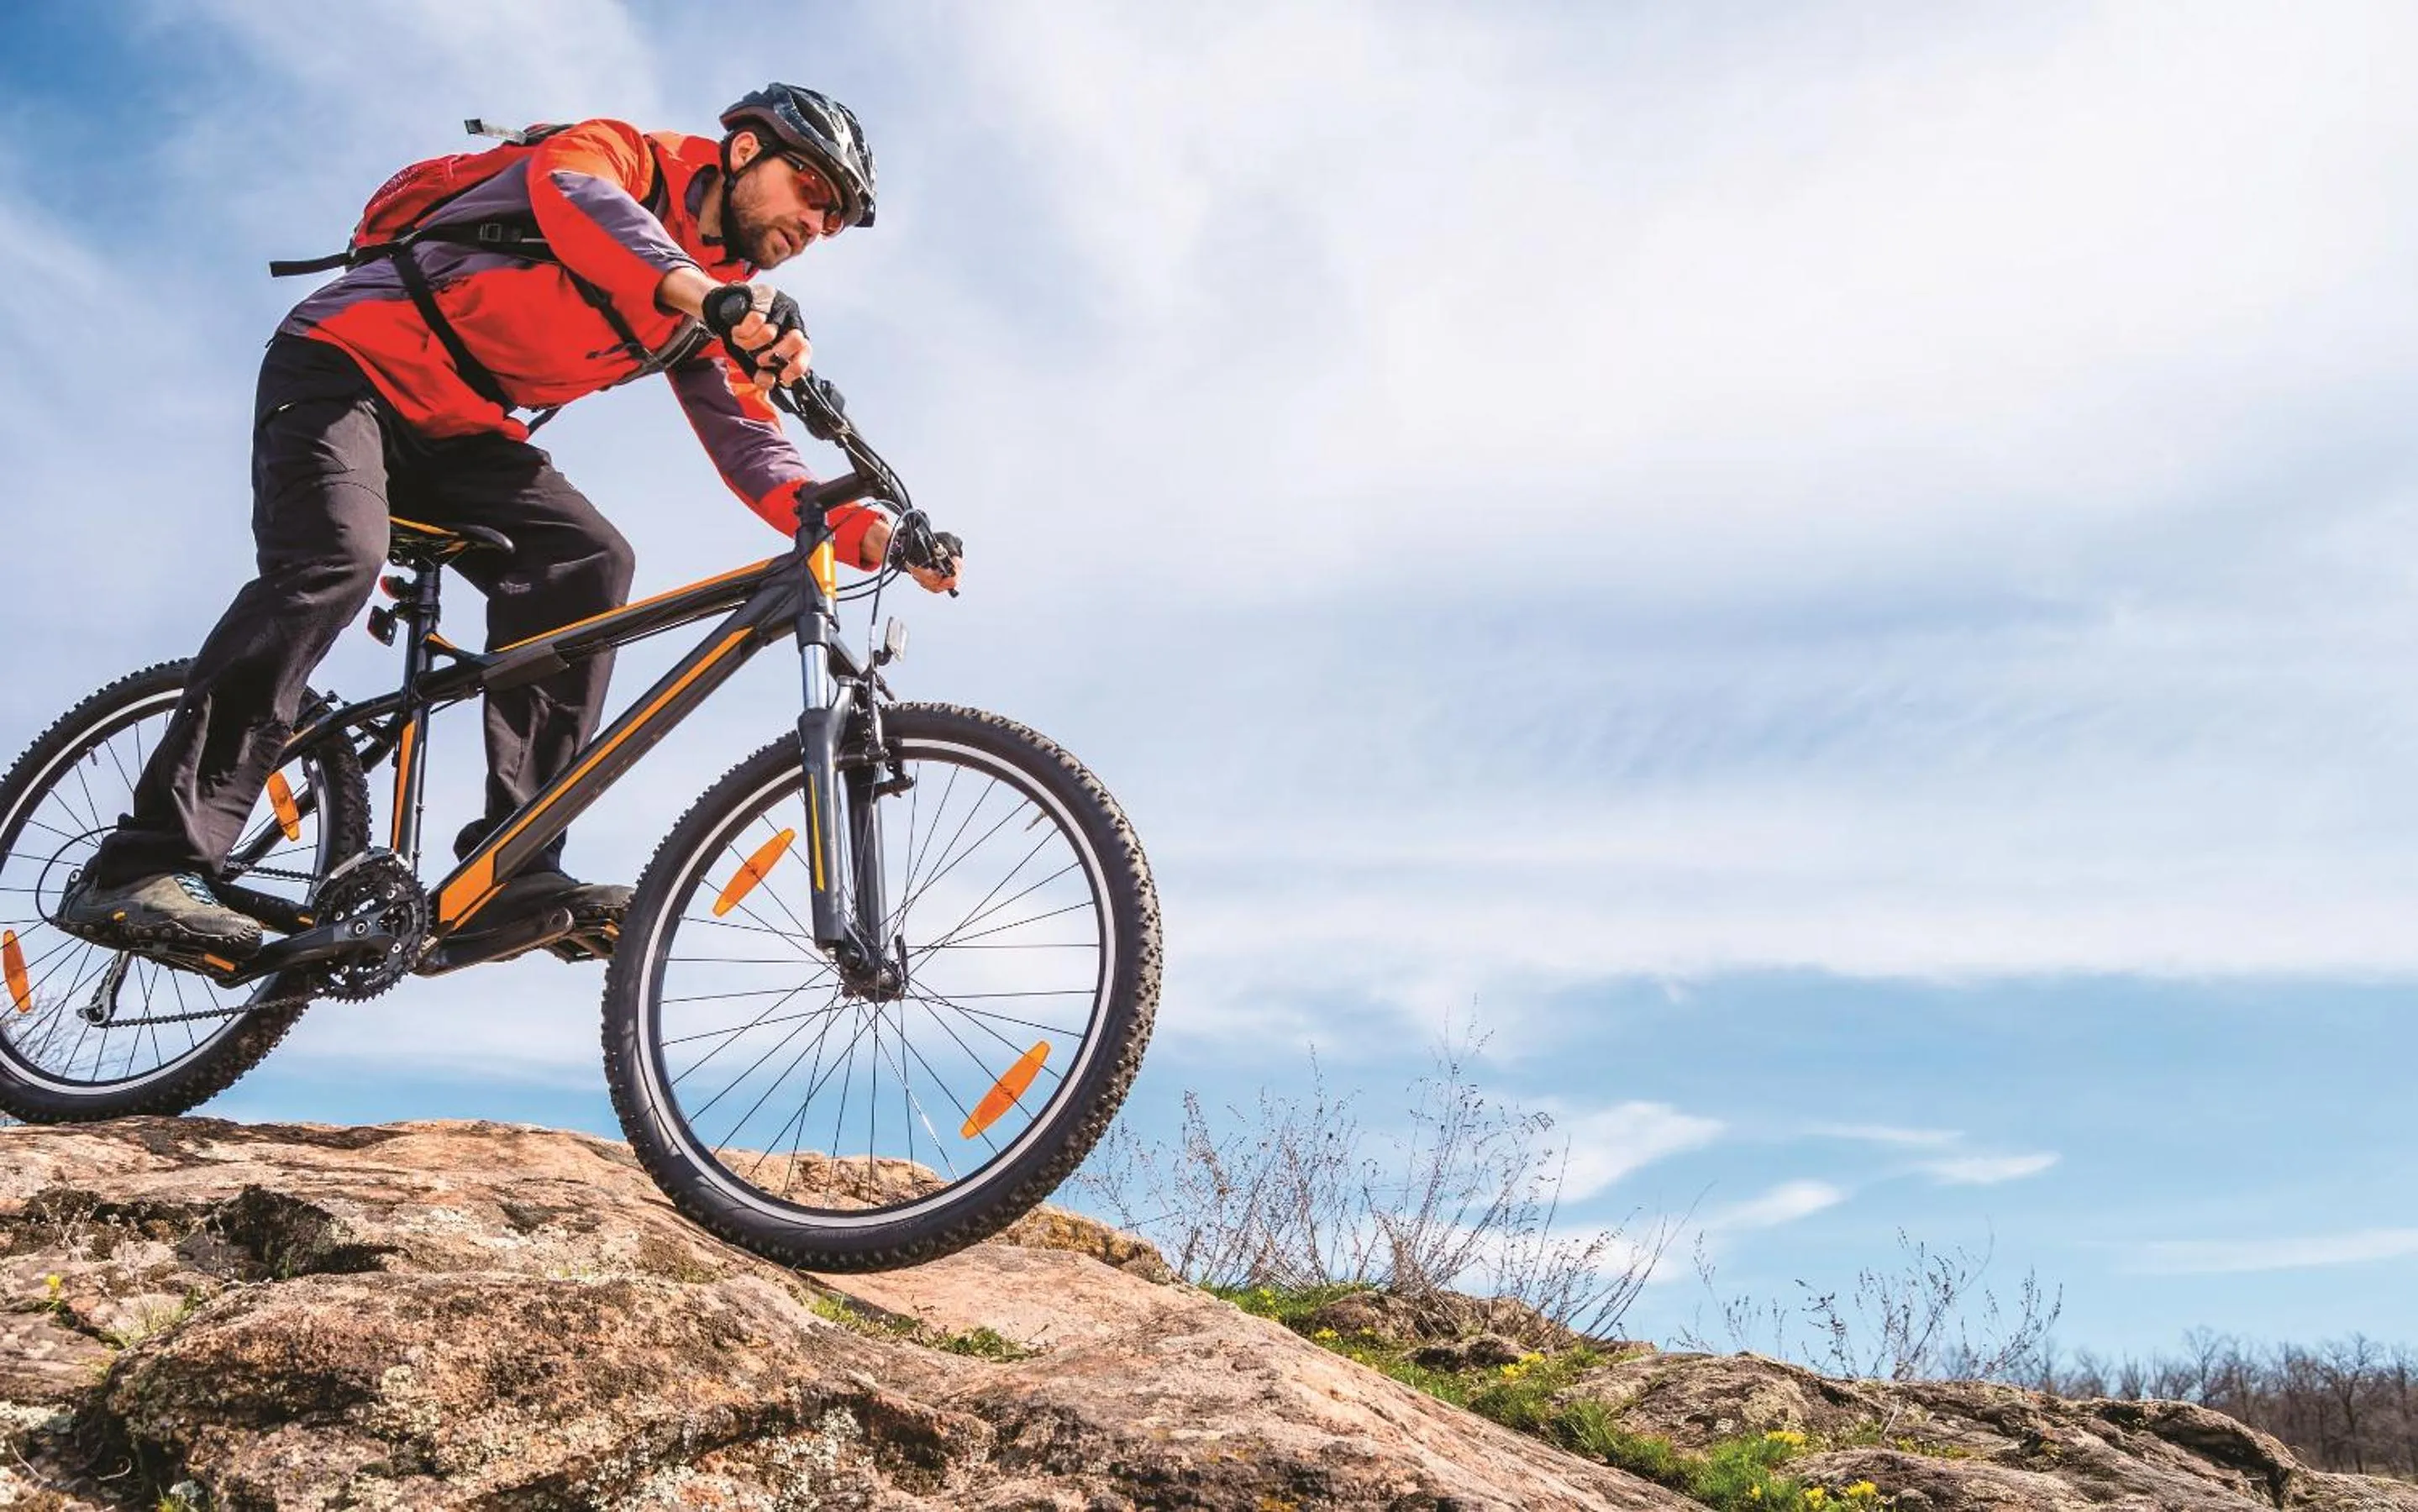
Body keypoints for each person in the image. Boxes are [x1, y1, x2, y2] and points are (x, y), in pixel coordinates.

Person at [58, 83, 956, 962]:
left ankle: (508, 872)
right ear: (748, 149)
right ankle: (146, 863)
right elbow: (578, 206)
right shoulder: (620, 160)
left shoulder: (719, 307)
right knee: (337, 559)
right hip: (341, 371)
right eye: (814, 190)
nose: (816, 225)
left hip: (460, 433)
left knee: (589, 560)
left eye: (835, 221)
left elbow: (757, 450)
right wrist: (706, 297)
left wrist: (869, 533)